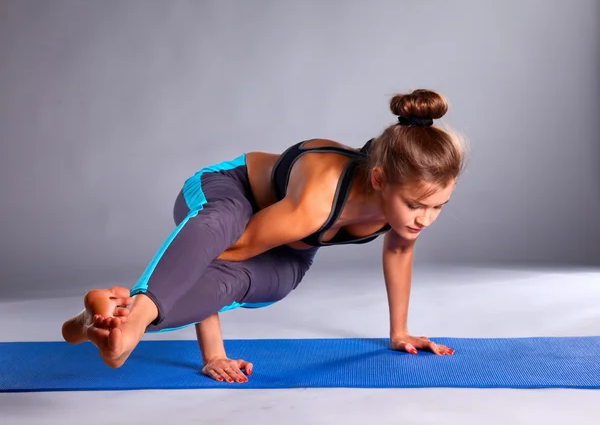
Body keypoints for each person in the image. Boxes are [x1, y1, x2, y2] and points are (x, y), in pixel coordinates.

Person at [62, 89, 468, 384]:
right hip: (227, 189)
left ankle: (100, 319)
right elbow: (223, 252)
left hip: (286, 241)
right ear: (379, 179)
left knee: (268, 282)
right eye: (417, 205)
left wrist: (399, 333)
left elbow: (399, 253)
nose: (425, 219)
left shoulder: (402, 209)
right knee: (223, 221)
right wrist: (213, 354)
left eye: (438, 207)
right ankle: (130, 320)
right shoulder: (318, 200)